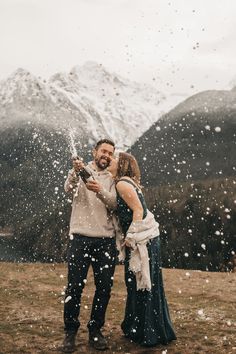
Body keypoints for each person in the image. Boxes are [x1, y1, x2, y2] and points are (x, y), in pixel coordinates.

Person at [108, 152, 177, 347]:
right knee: (144, 283)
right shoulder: (127, 181)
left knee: (140, 283)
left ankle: (145, 331)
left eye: (114, 159)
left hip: (140, 241)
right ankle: (144, 327)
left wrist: (130, 237)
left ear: (121, 165)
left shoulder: (122, 183)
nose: (110, 161)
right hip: (146, 239)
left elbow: (138, 210)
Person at [62, 139, 117, 353]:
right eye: (103, 151)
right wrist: (76, 172)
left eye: (110, 153)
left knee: (104, 289)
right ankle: (70, 332)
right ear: (94, 151)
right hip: (80, 238)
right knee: (74, 287)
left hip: (106, 240)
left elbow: (114, 203)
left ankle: (95, 330)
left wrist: (99, 191)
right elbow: (68, 188)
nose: (106, 155)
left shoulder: (113, 178)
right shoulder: (80, 170)